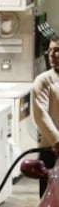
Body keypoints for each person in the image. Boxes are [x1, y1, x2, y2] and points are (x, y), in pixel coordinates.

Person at [32, 35, 59, 197]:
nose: (52, 55)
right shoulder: (43, 81)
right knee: (50, 200)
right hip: (51, 150)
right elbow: (40, 114)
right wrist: (57, 140)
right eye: (50, 50)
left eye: (57, 50)